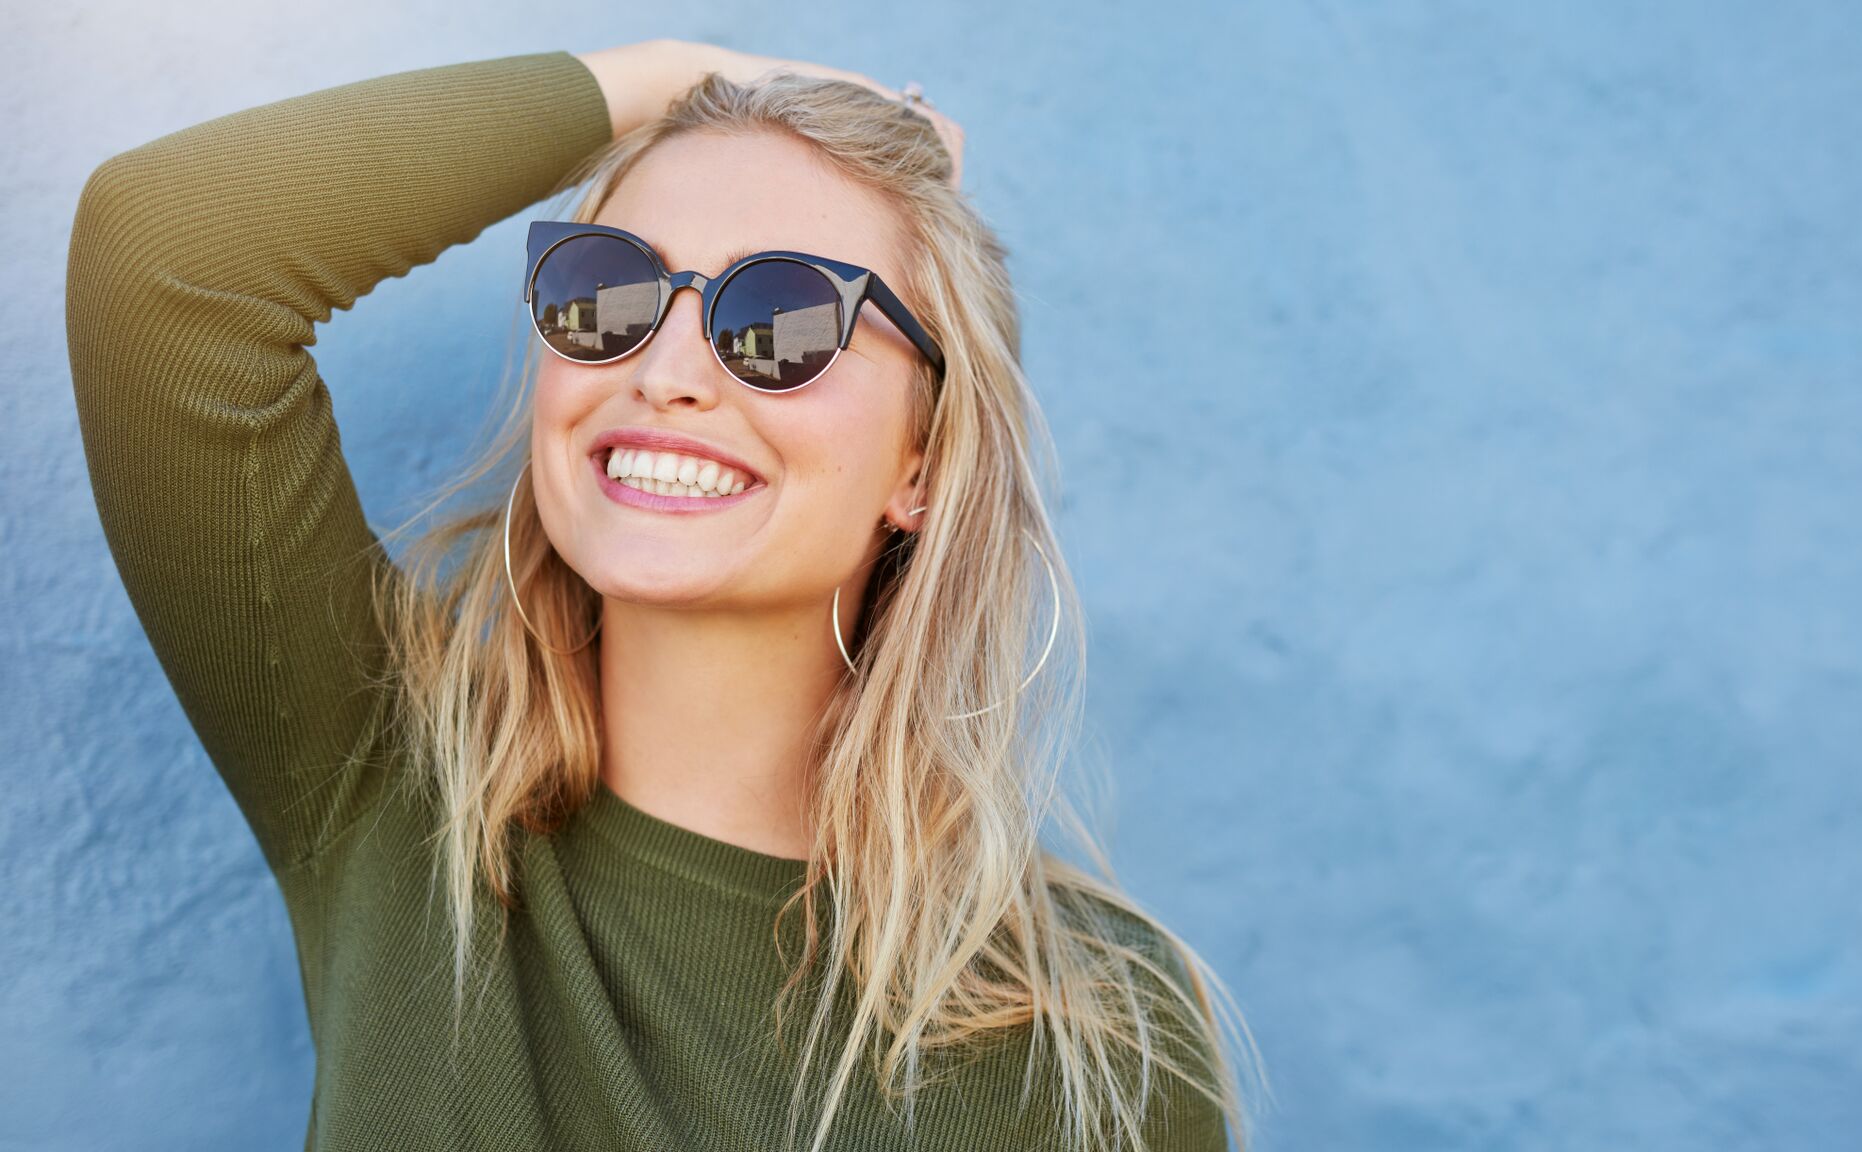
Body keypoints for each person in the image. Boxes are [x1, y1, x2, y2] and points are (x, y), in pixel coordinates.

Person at [67, 38, 1263, 1152]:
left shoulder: (1100, 1037)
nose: (668, 372)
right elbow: (164, 258)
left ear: (923, 464)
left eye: (784, 316)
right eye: (611, 289)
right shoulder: (393, 787)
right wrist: (688, 81)